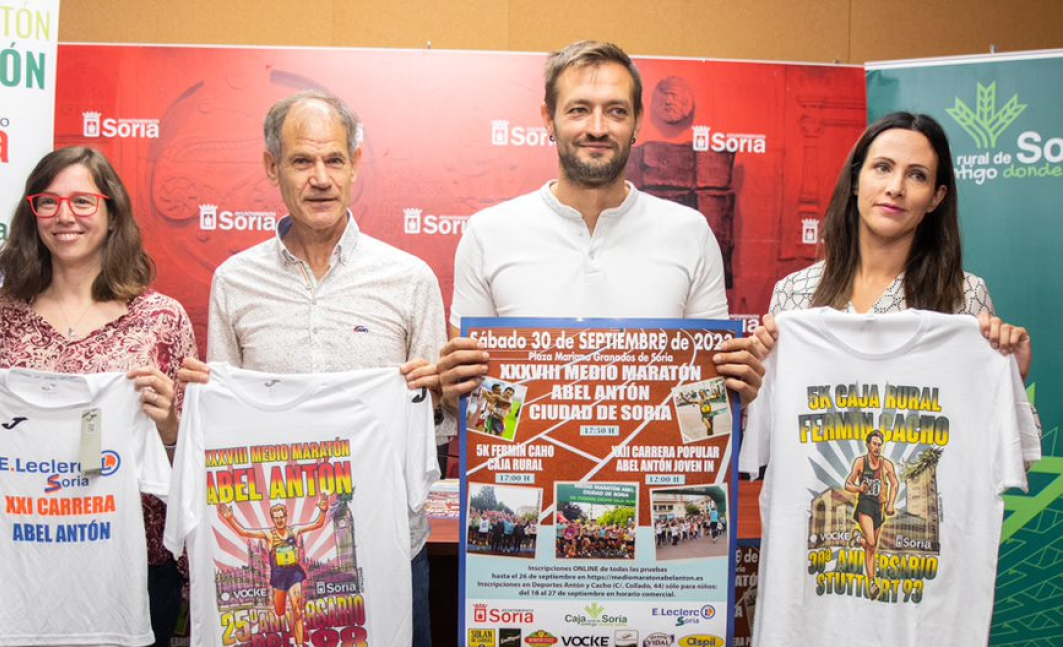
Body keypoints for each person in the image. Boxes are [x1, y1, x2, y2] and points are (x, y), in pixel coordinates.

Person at [178, 90, 444, 647]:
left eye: (334, 160)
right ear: (272, 167)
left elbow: (436, 422)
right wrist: (203, 396)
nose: (320, 178)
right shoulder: (234, 282)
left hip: (392, 549)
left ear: (354, 164)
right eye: (302, 161)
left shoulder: (410, 279)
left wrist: (439, 389)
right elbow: (228, 436)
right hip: (289, 556)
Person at [0, 146, 197, 647]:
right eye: (47, 202)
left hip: (130, 572)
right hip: (23, 568)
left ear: (112, 211)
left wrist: (170, 427)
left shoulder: (160, 319)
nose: (64, 216)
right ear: (32, 214)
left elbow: (194, 463)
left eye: (82, 200)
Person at [437, 39, 763, 416]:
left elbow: (706, 397)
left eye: (616, 111)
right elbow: (477, 405)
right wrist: (452, 391)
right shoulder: (488, 233)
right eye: (578, 110)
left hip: (654, 471)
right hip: (524, 472)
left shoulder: (690, 233)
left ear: (638, 120)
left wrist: (737, 389)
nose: (597, 128)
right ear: (548, 118)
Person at [757, 112, 1032, 379]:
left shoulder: (966, 296)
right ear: (856, 180)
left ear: (936, 197)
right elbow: (770, 413)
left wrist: (1009, 375)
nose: (895, 187)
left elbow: (985, 415)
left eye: (917, 176)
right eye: (883, 167)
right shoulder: (794, 294)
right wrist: (752, 381)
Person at [217, 496, 330, 647]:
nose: (279, 520)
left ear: (286, 516)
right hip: (278, 576)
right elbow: (243, 532)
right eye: (275, 518)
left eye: (281, 517)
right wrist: (229, 517)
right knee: (279, 611)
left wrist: (322, 510)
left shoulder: (294, 531)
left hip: (294, 573)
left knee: (297, 611)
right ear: (273, 519)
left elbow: (317, 524)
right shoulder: (269, 534)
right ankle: (280, 610)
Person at [844, 430, 899, 600]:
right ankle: (861, 538)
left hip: (879, 508)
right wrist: (859, 488)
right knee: (872, 541)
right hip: (865, 506)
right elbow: (848, 484)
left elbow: (895, 484)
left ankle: (872, 582)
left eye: (879, 444)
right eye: (874, 443)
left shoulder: (886, 464)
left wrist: (890, 504)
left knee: (872, 548)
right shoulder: (861, 462)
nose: (877, 447)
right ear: (868, 445)